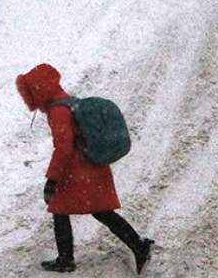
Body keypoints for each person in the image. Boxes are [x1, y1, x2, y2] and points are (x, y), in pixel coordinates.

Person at [16, 63, 153, 274]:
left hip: (78, 172)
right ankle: (137, 245)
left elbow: (63, 149)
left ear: (39, 90)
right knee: (101, 211)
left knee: (61, 209)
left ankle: (66, 259)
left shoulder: (58, 110)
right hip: (91, 167)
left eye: (30, 93)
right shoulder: (68, 101)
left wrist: (52, 179)